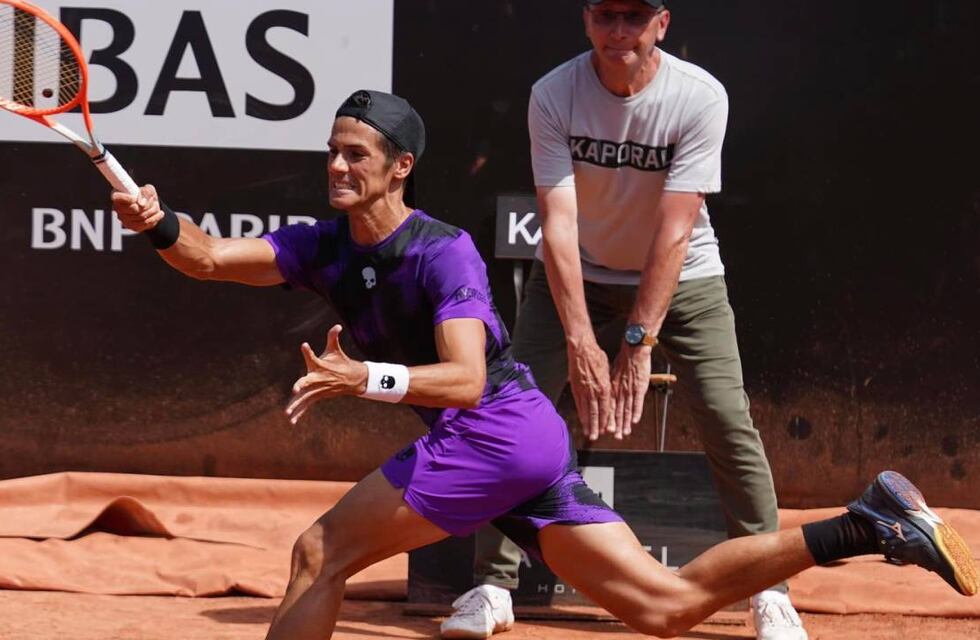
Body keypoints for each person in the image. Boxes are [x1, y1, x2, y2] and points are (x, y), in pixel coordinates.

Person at [111, 90, 977, 640]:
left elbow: (466, 381)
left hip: (494, 430)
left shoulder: (442, 254)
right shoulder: (320, 246)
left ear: (399, 169)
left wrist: (362, 379)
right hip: (527, 442)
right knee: (662, 609)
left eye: (357, 155)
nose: (336, 165)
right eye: (332, 150)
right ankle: (865, 525)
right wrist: (156, 222)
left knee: (319, 553)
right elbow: (210, 257)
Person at [444, 1, 802, 639]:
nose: (618, 33)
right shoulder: (553, 93)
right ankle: (492, 586)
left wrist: (638, 342)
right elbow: (556, 221)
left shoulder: (699, 98)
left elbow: (674, 227)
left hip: (684, 275)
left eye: (633, 18)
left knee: (725, 416)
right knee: (508, 411)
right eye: (606, 16)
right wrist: (581, 338)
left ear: (662, 24)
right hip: (580, 271)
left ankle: (766, 587)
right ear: (586, 20)